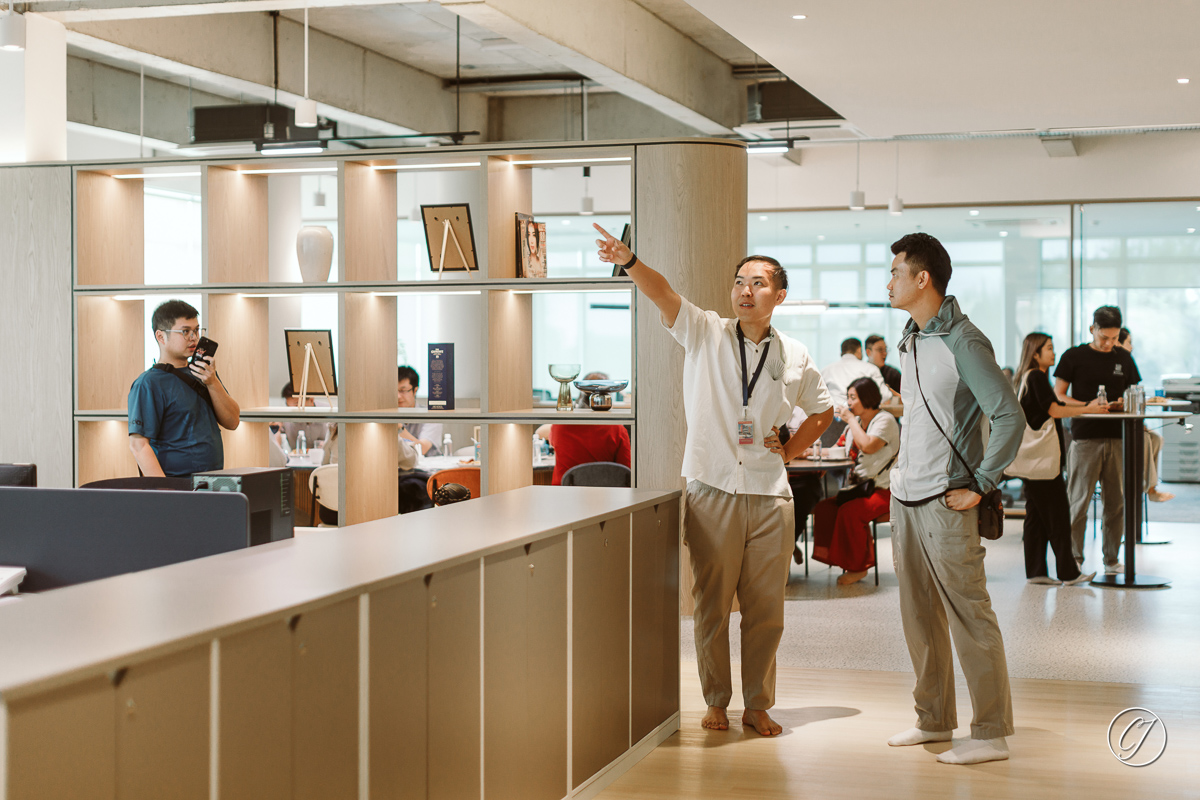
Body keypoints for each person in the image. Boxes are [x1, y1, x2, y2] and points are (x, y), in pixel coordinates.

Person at [594, 223, 833, 737]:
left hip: (770, 493)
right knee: (712, 606)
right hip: (712, 487)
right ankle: (717, 700)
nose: (746, 290)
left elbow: (822, 410)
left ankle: (758, 704)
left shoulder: (794, 354)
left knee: (766, 610)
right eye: (739, 281)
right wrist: (630, 260)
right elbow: (663, 293)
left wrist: (790, 450)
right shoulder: (704, 330)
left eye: (759, 283)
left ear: (780, 295)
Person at [885, 232, 1022, 765]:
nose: (889, 281)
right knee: (917, 615)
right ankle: (934, 720)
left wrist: (983, 483)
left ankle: (990, 733)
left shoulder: (964, 339)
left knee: (969, 614)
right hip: (905, 495)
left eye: (896, 272)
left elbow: (1009, 415)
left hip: (947, 499)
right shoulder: (912, 337)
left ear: (923, 279)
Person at [1054, 306, 1141, 573]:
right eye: (1104, 337)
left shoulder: (1124, 359)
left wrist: (1120, 406)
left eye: (1114, 338)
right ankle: (1073, 559)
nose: (1108, 344)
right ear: (1092, 329)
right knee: (1078, 501)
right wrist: (1087, 406)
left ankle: (1112, 559)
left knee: (1116, 503)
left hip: (1117, 437)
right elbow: (1059, 396)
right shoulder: (1074, 356)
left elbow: (1134, 394)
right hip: (1085, 437)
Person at [1013, 333, 1104, 586]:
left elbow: (1051, 405)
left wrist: (1086, 406)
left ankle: (1036, 572)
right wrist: (1089, 408)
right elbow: (1053, 409)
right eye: (1049, 349)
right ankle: (1068, 573)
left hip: (1031, 461)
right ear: (1035, 353)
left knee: (1036, 516)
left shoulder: (1026, 377)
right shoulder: (1036, 376)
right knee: (1058, 515)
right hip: (1042, 463)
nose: (1053, 353)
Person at [128, 300, 241, 477]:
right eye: (185, 331)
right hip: (176, 487)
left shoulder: (204, 372)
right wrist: (165, 492)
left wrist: (212, 382)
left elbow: (233, 421)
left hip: (212, 482)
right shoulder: (148, 383)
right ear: (160, 336)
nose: (194, 338)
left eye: (196, 330)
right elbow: (138, 446)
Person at [809, 378, 899, 585]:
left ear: (867, 398)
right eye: (848, 398)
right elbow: (838, 448)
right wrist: (810, 452)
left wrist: (849, 420)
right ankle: (836, 558)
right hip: (859, 489)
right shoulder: (856, 423)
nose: (849, 403)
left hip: (883, 490)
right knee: (825, 508)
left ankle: (858, 567)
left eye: (853, 398)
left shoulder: (884, 420)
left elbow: (868, 446)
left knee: (850, 512)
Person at [545, 371, 632, 485]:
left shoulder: (559, 426)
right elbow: (626, 472)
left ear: (581, 394)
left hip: (564, 495)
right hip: (607, 497)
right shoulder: (617, 429)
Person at [1117, 328, 1173, 502]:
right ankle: (1149, 488)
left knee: (1156, 439)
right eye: (1129, 342)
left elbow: (1132, 391)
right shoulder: (1111, 363)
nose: (1131, 347)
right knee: (1146, 440)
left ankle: (1146, 486)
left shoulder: (1127, 363)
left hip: (1129, 419)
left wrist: (1151, 400)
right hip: (1115, 426)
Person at [819, 338, 892, 446]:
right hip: (861, 421)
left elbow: (817, 397)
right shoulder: (870, 369)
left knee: (829, 457)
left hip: (832, 422)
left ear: (841, 352)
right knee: (857, 457)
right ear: (859, 351)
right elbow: (885, 396)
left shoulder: (826, 370)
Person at [398, 365, 443, 456]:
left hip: (430, 467)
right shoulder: (388, 415)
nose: (398, 396)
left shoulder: (431, 415)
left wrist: (399, 428)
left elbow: (422, 449)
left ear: (415, 390)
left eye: (403, 390)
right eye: (394, 391)